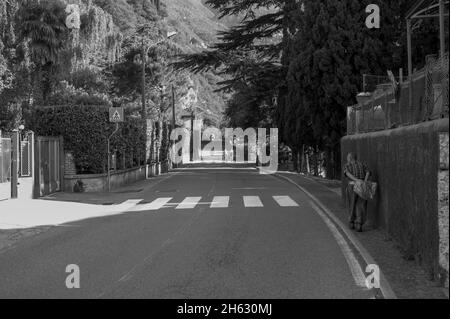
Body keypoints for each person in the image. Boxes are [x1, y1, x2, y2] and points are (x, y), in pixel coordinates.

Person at [344, 153, 370, 232]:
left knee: (351, 203)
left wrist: (356, 180)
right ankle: (359, 224)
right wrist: (364, 181)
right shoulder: (362, 164)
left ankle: (351, 221)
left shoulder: (347, 165)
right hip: (362, 186)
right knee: (361, 204)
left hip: (352, 185)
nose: (347, 159)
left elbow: (348, 174)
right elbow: (368, 172)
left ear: (350, 158)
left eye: (347, 157)